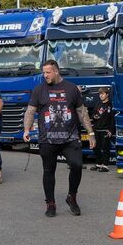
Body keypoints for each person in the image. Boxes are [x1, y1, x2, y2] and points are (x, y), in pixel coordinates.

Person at [23, 60, 96, 217]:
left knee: (77, 165)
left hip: (70, 138)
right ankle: (51, 203)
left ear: (56, 71)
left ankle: (72, 196)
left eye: (48, 72)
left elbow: (82, 112)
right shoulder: (39, 90)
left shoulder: (72, 89)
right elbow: (30, 111)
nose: (45, 75)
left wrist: (91, 133)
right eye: (44, 73)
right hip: (47, 139)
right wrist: (26, 129)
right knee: (49, 171)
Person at [90, 87, 115, 172]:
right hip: (96, 129)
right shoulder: (97, 104)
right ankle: (98, 164)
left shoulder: (110, 105)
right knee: (95, 147)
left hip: (105, 130)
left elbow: (113, 119)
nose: (101, 95)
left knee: (105, 148)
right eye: (100, 94)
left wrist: (111, 130)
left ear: (107, 94)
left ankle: (105, 165)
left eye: (102, 94)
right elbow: (93, 114)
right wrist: (94, 116)